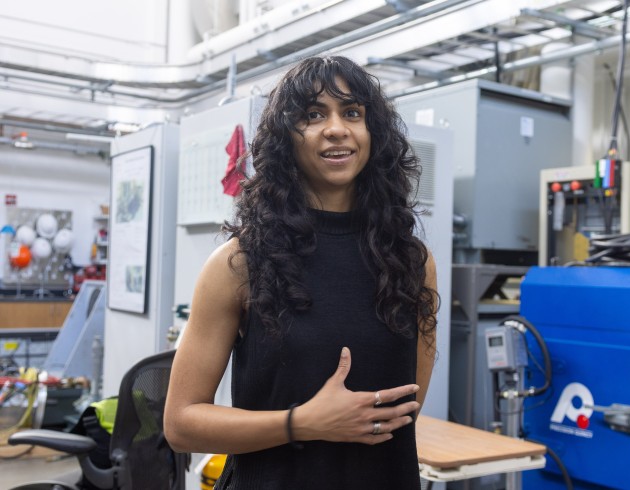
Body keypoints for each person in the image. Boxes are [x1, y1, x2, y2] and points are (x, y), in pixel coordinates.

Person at [164, 55, 439, 490]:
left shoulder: (412, 262)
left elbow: (404, 407)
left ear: (374, 134)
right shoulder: (239, 263)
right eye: (313, 115)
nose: (336, 128)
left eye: (352, 113)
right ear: (285, 139)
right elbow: (181, 424)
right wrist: (301, 423)